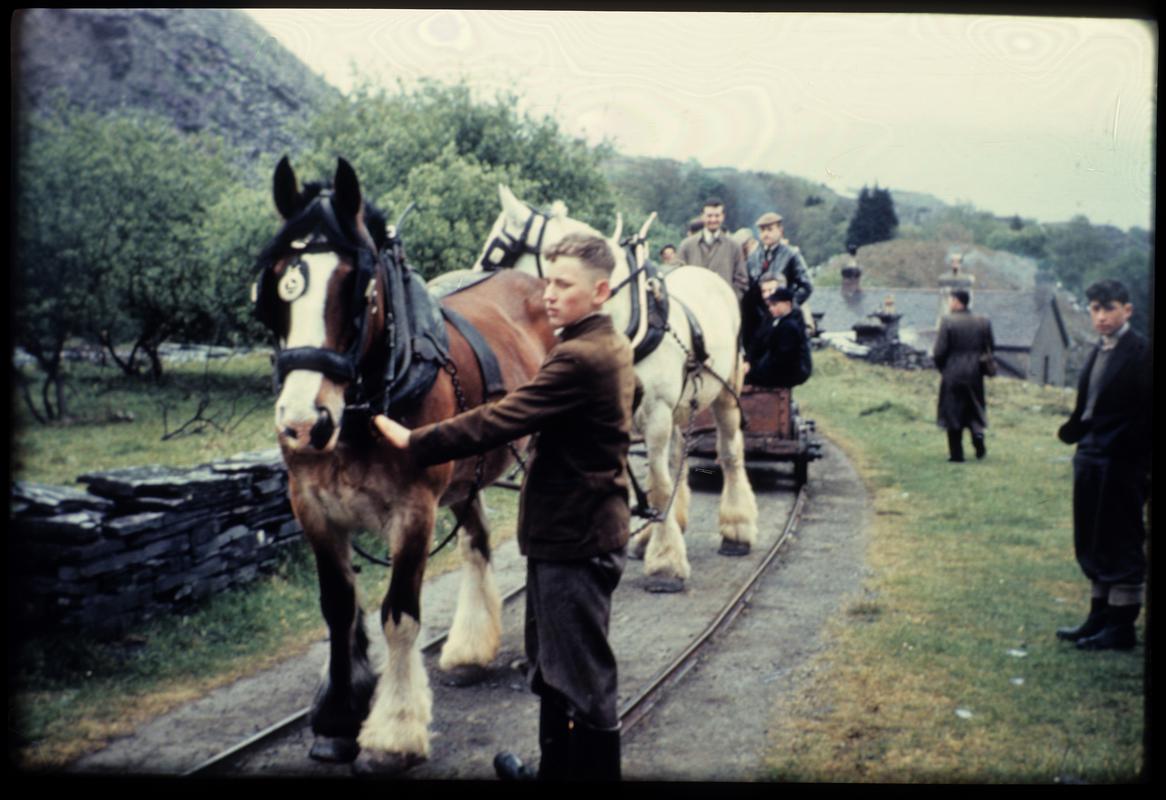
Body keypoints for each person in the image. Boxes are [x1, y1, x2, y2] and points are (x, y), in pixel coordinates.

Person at [374, 232, 635, 780]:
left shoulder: (582, 358)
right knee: (554, 668)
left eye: (564, 285)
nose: (549, 296)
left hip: (575, 539)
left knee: (583, 678)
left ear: (602, 291)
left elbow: (502, 417)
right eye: (547, 282)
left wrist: (415, 441)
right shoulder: (594, 344)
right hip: (567, 534)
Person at [1054, 279, 1150, 651]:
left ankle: (1121, 628)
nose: (1101, 316)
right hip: (1090, 454)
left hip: (1123, 462)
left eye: (1108, 308)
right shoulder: (1098, 349)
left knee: (1122, 540)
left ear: (1127, 310)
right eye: (1095, 308)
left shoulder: (1141, 352)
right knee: (1092, 536)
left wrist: (1132, 457)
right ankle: (1098, 616)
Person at [931, 289, 994, 462]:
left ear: (958, 302)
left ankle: (957, 455)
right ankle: (978, 436)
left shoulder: (948, 321)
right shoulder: (983, 321)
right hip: (975, 373)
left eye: (951, 300)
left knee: (953, 411)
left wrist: (943, 368)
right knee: (974, 407)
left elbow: (939, 351)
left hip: (953, 371)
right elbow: (990, 347)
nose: (949, 304)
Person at [742, 211, 813, 346]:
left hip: (784, 318)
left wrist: (789, 304)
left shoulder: (791, 254)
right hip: (760, 318)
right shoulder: (753, 257)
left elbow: (807, 285)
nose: (766, 234)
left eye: (770, 229)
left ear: (780, 230)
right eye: (762, 230)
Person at [675, 197, 749, 300]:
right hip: (694, 306)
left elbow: (742, 281)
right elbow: (677, 277)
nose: (713, 220)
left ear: (723, 217)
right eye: (709, 216)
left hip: (724, 308)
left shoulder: (734, 247)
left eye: (717, 216)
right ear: (702, 217)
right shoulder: (686, 246)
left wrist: (730, 300)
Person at [743, 285, 812, 389]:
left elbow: (782, 359)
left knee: (747, 379)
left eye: (774, 305)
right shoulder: (780, 321)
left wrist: (757, 371)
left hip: (790, 372)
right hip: (779, 367)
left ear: (787, 304)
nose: (771, 309)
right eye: (770, 306)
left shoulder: (789, 326)